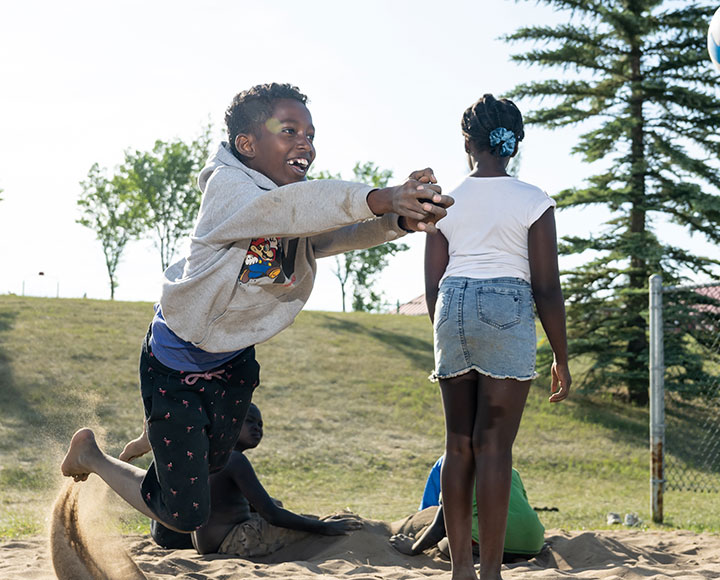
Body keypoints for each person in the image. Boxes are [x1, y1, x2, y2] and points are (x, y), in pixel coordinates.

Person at [61, 82, 453, 539]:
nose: (305, 142)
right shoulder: (229, 190)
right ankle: (92, 454)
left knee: (213, 463)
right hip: (176, 363)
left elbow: (329, 232)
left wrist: (399, 221)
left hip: (232, 362)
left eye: (310, 133)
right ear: (246, 144)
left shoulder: (290, 202)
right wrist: (383, 196)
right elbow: (290, 208)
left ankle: (164, 435)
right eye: (289, 130)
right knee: (186, 514)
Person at [423, 94, 571, 580]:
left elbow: (432, 281)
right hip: (507, 305)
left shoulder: (443, 201)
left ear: (468, 142)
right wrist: (561, 357)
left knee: (458, 444)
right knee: (494, 447)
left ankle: (460, 568)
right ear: (514, 144)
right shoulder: (533, 200)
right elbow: (546, 287)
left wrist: (447, 328)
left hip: (452, 306)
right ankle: (490, 573)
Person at [125, 404, 363, 555]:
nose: (258, 428)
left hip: (203, 542)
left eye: (260, 424)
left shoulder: (212, 456)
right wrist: (324, 527)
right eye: (250, 421)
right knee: (321, 528)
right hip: (224, 541)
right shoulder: (233, 460)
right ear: (231, 425)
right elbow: (271, 514)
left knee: (278, 507)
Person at [392, 457, 545, 563]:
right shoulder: (510, 470)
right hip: (534, 544)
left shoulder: (456, 472)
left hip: (497, 545)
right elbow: (521, 505)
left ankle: (490, 558)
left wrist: (412, 549)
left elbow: (440, 528)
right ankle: (513, 556)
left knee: (446, 544)